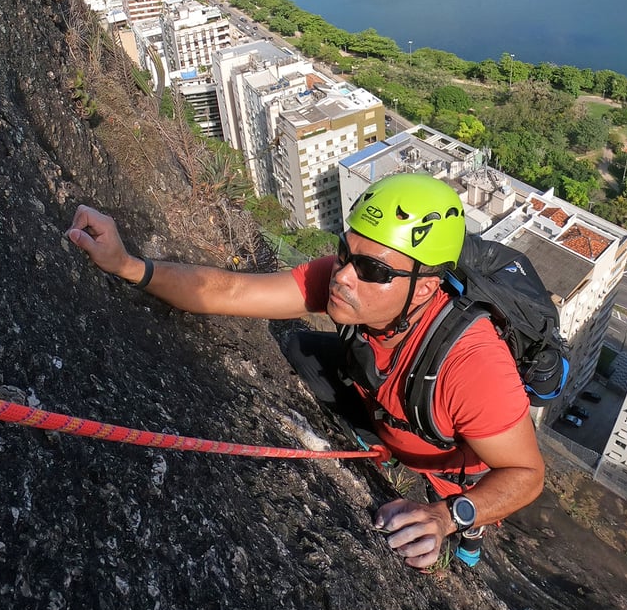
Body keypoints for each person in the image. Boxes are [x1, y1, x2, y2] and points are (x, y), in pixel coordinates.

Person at [66, 173, 544, 571]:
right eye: (343, 253)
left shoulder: (473, 366)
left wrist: (446, 517)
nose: (343, 276)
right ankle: (377, 444)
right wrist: (128, 265)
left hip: (446, 464)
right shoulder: (349, 281)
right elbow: (232, 292)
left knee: (458, 511)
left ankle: (471, 526)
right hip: (387, 410)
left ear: (424, 288)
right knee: (300, 348)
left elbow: (526, 473)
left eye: (373, 271)